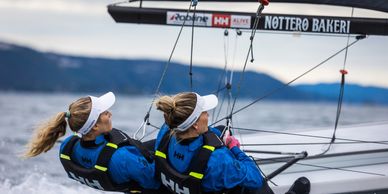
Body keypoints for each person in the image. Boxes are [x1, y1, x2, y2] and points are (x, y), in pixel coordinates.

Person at [24, 92, 165, 193]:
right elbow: (153, 181)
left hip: (115, 175)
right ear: (95, 126)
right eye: (105, 113)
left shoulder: (66, 146)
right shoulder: (122, 157)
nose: (110, 113)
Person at [154, 92, 274, 194]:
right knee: (260, 186)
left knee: (221, 129)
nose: (208, 114)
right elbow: (255, 178)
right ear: (195, 124)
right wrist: (234, 148)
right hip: (209, 181)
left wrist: (220, 138)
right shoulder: (218, 158)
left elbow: (206, 132)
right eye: (204, 112)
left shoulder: (167, 129)